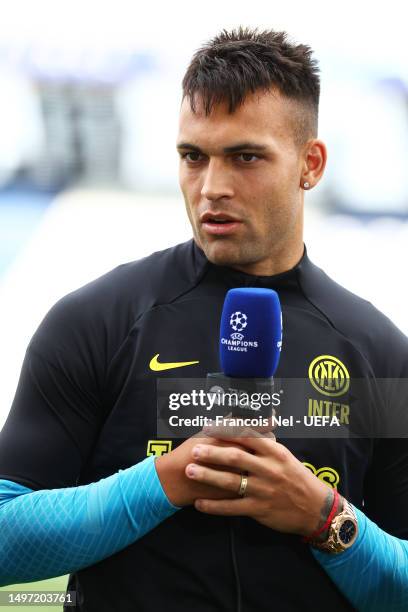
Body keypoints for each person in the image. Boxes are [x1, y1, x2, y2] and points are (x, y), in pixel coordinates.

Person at [0, 27, 407, 612]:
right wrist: (170, 479)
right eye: (193, 156)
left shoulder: (381, 353)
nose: (212, 187)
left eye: (245, 157)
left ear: (310, 164)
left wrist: (325, 519)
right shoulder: (95, 321)